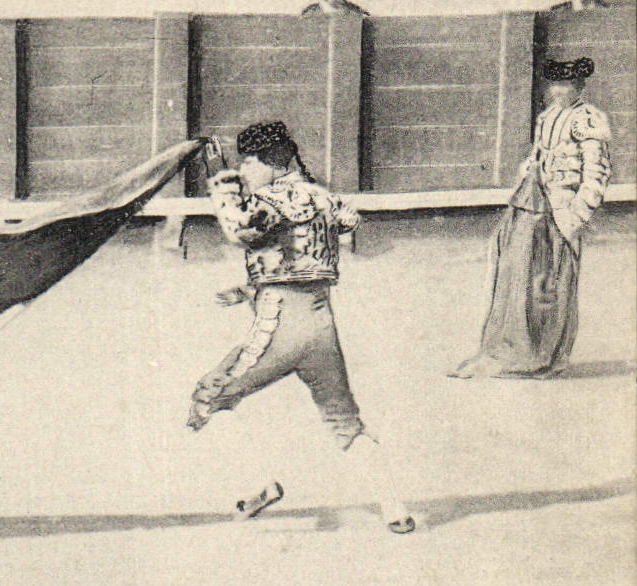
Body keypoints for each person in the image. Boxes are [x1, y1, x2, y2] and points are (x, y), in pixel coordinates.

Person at [189, 122, 415, 535]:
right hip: (321, 325)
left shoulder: (271, 198)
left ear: (272, 161)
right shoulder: (323, 197)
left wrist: (221, 185)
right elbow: (301, 259)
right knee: (345, 422)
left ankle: (261, 485)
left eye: (250, 162)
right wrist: (245, 291)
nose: (246, 171)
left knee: (208, 397)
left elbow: (240, 230)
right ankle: (394, 508)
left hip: (278, 327)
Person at [452, 58, 611, 379]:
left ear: (579, 86)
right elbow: (536, 156)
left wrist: (578, 214)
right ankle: (512, 351)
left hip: (563, 207)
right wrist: (527, 175)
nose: (560, 90)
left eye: (567, 84)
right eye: (556, 84)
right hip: (534, 204)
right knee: (518, 276)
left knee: (550, 284)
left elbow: (597, 171)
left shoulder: (588, 119)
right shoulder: (547, 116)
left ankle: (546, 356)